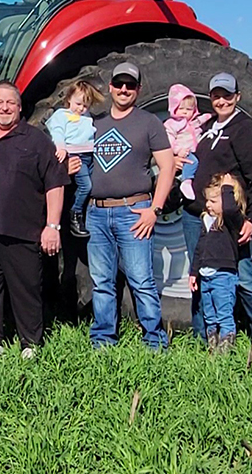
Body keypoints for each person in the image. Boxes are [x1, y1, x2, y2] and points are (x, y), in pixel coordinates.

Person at [0, 82, 69, 359]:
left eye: (10, 102)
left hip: (22, 232)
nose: (4, 107)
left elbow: (55, 184)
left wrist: (52, 226)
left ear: (20, 107)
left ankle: (30, 344)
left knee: (26, 291)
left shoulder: (37, 140)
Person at [87, 62, 176, 350]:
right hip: (97, 212)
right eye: (119, 84)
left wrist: (155, 210)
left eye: (130, 85)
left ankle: (154, 340)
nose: (124, 89)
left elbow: (168, 167)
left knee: (141, 280)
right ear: (110, 87)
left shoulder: (149, 123)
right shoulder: (94, 124)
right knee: (101, 281)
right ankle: (103, 339)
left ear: (138, 89)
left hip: (134, 211)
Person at [182, 72, 252, 342]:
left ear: (238, 96)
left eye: (227, 95)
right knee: (201, 275)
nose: (221, 100)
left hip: (226, 219)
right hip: (196, 215)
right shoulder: (208, 126)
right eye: (216, 95)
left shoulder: (245, 129)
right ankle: (204, 337)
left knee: (242, 275)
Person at [187, 173, 246, 355]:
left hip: (223, 276)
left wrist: (227, 188)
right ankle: (213, 347)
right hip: (206, 276)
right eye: (207, 201)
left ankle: (226, 350)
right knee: (209, 315)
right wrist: (194, 272)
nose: (207, 205)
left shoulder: (232, 222)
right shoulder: (207, 221)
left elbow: (229, 210)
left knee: (224, 314)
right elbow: (199, 249)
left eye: (213, 201)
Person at [46, 80, 103, 238]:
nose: (81, 109)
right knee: (86, 186)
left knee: (94, 186)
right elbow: (57, 131)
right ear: (69, 98)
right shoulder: (62, 115)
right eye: (78, 104)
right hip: (75, 155)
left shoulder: (87, 117)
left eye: (85, 106)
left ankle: (89, 215)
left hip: (89, 155)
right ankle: (75, 213)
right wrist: (61, 147)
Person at [163, 84, 212, 201]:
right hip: (184, 151)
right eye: (181, 109)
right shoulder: (172, 123)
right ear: (174, 108)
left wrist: (212, 114)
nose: (185, 112)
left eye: (189, 109)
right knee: (192, 162)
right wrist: (177, 151)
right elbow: (169, 139)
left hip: (196, 149)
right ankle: (186, 181)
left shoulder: (193, 121)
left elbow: (202, 120)